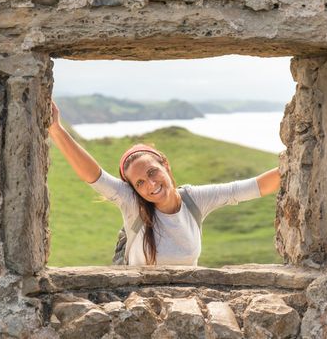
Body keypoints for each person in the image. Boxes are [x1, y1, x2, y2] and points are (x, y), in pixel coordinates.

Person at [48, 100, 281, 266]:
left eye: (152, 172)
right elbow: (94, 175)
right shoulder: (132, 203)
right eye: (139, 183)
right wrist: (56, 130)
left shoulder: (194, 200)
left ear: (165, 165)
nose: (150, 185)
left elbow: (252, 187)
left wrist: (295, 164)